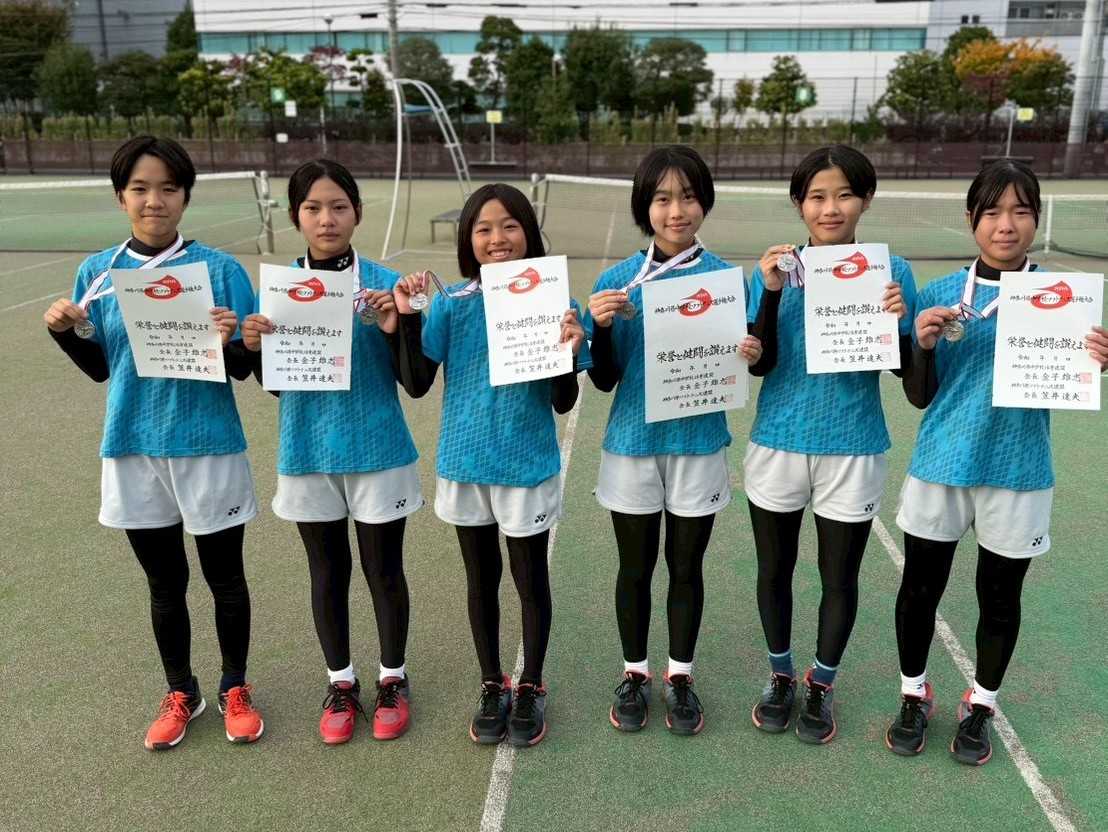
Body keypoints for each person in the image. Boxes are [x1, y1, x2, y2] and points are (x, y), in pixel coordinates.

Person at [43, 136, 263, 750]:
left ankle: (235, 686)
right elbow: (100, 368)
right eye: (140, 189)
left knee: (225, 578)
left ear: (185, 196)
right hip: (133, 445)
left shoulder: (220, 270)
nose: (154, 201)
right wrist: (65, 332)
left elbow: (245, 367)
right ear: (121, 197)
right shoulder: (97, 273)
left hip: (208, 443)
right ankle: (181, 691)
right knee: (165, 585)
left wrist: (231, 340)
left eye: (168, 188)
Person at [887, 158, 1108, 764]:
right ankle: (913, 694)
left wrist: (1098, 358)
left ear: (1036, 218)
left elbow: (1074, 376)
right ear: (971, 220)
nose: (1005, 224)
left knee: (1001, 598)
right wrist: (921, 346)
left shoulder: (1067, 298)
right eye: (992, 212)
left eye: (1020, 211)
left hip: (1019, 470)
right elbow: (919, 396)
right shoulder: (937, 294)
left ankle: (981, 705)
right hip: (941, 465)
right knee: (918, 590)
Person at [390, 183, 590, 747]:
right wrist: (407, 318)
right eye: (483, 229)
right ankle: (491, 682)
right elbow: (416, 382)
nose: (497, 238)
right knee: (480, 580)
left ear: (528, 232)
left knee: (529, 580)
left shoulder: (555, 302)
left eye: (509, 225)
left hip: (526, 463)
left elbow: (563, 402)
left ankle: (530, 684)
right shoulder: (451, 303)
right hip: (465, 463)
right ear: (468, 240)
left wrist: (569, 351)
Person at [584, 145, 763, 736]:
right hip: (632, 444)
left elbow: (745, 359)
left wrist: (749, 350)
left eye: (687, 197)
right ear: (645, 207)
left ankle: (680, 675)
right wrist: (601, 329)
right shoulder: (616, 282)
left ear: (704, 203)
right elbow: (604, 378)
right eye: (662, 199)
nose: (676, 210)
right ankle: (635, 673)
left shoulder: (727, 280)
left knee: (687, 567)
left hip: (699, 443)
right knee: (634, 568)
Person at [241, 159, 421, 744]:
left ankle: (392, 678)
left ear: (357, 213)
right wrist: (256, 348)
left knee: (383, 571)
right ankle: (341, 683)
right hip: (307, 450)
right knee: (327, 572)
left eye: (339, 207)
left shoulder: (387, 284)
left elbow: (413, 379)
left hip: (379, 449)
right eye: (313, 208)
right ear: (296, 216)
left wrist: (396, 326)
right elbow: (276, 385)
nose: (327, 219)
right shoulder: (280, 291)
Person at [744, 145, 915, 744]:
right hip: (778, 441)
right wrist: (770, 292)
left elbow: (904, 370)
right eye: (817, 196)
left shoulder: (893, 271)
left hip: (854, 444)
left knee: (839, 577)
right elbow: (760, 363)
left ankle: (821, 683)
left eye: (844, 194)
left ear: (866, 199)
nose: (831, 207)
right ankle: (781, 675)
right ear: (799, 204)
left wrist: (897, 321)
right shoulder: (773, 269)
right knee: (774, 570)